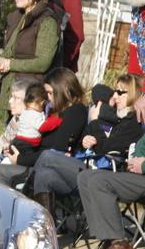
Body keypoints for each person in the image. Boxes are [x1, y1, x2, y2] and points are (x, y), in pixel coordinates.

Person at [28, 77, 143, 217]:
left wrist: (94, 122)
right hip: (89, 167)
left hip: (104, 175)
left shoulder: (133, 124)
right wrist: (85, 141)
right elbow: (98, 90)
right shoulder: (113, 117)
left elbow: (106, 148)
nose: (115, 96)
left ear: (132, 94)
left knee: (48, 156)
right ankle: (43, 229)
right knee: (45, 176)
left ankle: (22, 197)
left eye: (120, 92)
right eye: (115, 91)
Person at [0, 67, 87, 188]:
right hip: (34, 163)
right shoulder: (57, 112)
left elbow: (55, 151)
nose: (48, 98)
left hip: (43, 169)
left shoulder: (75, 112)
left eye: (50, 93)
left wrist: (20, 159)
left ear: (64, 90)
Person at [0, 0, 59, 95]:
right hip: (11, 89)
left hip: (30, 92)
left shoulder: (47, 22)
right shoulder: (18, 18)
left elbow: (43, 62)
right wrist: (0, 62)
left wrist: (9, 64)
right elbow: (10, 50)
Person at [76, 141, 145, 249]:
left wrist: (143, 164)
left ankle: (120, 244)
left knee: (99, 182)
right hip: (136, 176)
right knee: (84, 177)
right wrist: (134, 160)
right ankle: (108, 241)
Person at [11, 83, 49, 157]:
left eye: (16, 98)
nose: (10, 101)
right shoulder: (34, 114)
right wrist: (56, 121)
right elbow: (42, 127)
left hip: (19, 144)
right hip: (25, 146)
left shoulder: (24, 113)